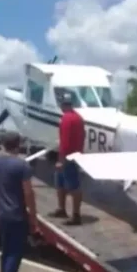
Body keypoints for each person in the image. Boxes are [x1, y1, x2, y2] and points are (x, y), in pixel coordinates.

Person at [0, 131, 38, 272]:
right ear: (18, 144)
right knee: (15, 251)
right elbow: (28, 193)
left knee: (6, 249)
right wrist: (33, 217)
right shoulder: (22, 166)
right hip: (17, 214)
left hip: (1, 214)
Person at [49, 92, 85, 226]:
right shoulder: (78, 118)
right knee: (61, 182)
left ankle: (75, 215)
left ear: (62, 104)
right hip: (74, 155)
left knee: (73, 185)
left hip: (67, 157)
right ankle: (62, 209)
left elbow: (65, 142)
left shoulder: (66, 119)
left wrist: (61, 160)